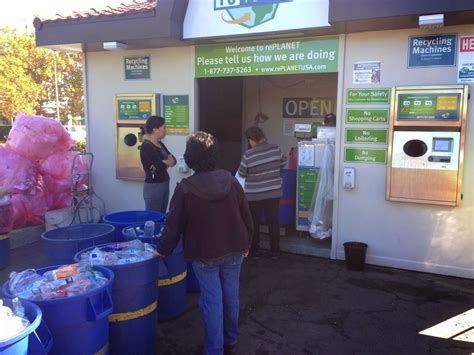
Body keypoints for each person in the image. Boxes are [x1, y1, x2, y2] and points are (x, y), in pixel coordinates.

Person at [155, 131, 253, 355]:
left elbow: (172, 226)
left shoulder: (185, 188)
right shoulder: (231, 180)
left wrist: (161, 251)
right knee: (230, 294)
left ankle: (214, 349)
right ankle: (230, 340)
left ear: (190, 157)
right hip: (235, 247)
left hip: (204, 252)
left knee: (212, 299)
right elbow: (246, 214)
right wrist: (247, 241)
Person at [238, 126, 286, 260]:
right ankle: (275, 252)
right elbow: (284, 161)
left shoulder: (248, 155)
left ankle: (255, 252)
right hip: (273, 193)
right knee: (273, 221)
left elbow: (241, 173)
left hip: (254, 195)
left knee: (254, 223)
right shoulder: (275, 148)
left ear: (251, 140)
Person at [140, 116, 176, 212]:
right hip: (153, 186)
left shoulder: (160, 144)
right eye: (164, 128)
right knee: (153, 217)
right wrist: (166, 162)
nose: (165, 130)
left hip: (164, 183)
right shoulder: (146, 146)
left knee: (162, 215)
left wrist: (164, 162)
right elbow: (158, 166)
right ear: (155, 129)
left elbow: (174, 160)